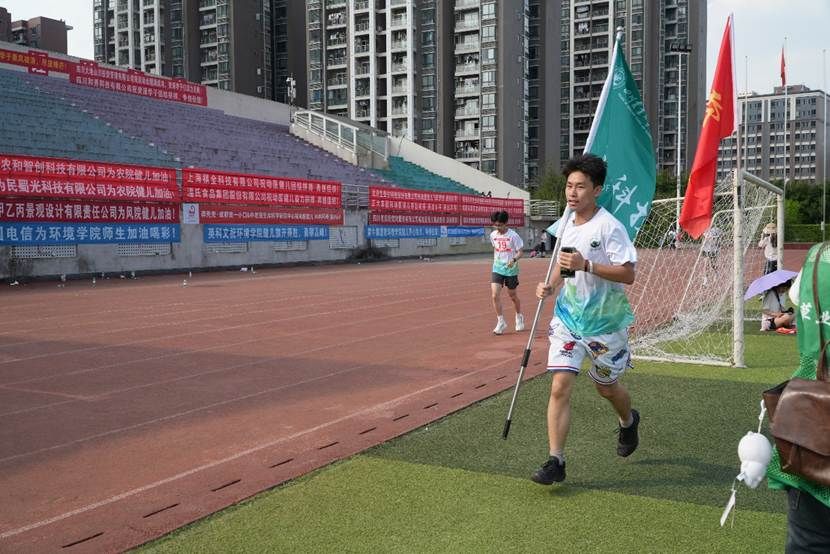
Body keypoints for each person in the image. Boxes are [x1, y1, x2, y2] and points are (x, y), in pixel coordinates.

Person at [531, 154, 640, 485]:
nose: (572, 192)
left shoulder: (609, 227)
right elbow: (565, 265)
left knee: (606, 388)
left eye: (580, 186)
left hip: (605, 325)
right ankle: (556, 460)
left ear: (597, 189)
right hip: (569, 319)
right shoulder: (565, 223)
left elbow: (628, 274)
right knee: (559, 386)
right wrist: (550, 285)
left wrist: (588, 265)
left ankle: (628, 421)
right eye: (569, 186)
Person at [766, 242, 830, 552]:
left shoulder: (817, 257)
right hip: (813, 433)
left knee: (809, 543)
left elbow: (795, 297)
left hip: (811, 432)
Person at [489, 210, 524, 335]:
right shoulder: (493, 235)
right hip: (498, 268)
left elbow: (520, 252)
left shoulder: (513, 236)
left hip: (511, 269)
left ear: (505, 223)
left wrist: (513, 260)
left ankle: (519, 316)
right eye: (495, 225)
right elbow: (495, 249)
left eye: (499, 225)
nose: (497, 227)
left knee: (512, 296)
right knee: (495, 295)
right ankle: (501, 321)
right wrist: (497, 260)